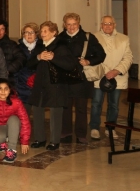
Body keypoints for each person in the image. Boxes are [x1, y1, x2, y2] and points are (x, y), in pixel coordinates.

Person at [27, 21, 77, 150]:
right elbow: (29, 64)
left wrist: (53, 58)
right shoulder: (39, 46)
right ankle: (40, 139)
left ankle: (55, 141)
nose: (42, 34)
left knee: (55, 113)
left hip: (56, 85)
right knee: (37, 110)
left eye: (45, 31)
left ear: (54, 32)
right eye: (41, 31)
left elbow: (70, 64)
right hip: (40, 84)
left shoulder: (61, 46)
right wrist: (38, 57)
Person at [58, 12, 106, 144]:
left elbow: (101, 55)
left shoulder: (88, 37)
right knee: (65, 107)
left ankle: (81, 134)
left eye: (74, 24)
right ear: (64, 25)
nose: (72, 27)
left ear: (79, 24)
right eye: (69, 24)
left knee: (81, 108)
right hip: (64, 79)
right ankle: (66, 132)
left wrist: (88, 61)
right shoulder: (59, 38)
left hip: (81, 79)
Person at [91, 15, 132, 140]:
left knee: (114, 104)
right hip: (99, 76)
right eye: (105, 23)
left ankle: (110, 128)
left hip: (117, 77)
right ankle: (94, 128)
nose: (107, 26)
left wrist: (116, 70)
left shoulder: (124, 39)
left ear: (114, 25)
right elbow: (91, 56)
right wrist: (104, 70)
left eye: (110, 23)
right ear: (101, 25)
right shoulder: (94, 37)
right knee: (96, 103)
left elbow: (128, 57)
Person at [0, 79, 31, 163]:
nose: (3, 91)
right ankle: (2, 143)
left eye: (6, 89)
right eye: (0, 88)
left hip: (13, 126)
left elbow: (25, 121)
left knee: (14, 119)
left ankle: (11, 150)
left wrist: (24, 141)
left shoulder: (16, 102)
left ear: (10, 90)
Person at [14, 22, 40, 108]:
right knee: (24, 115)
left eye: (31, 32)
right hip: (22, 85)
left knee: (38, 116)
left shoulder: (41, 47)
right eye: (26, 32)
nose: (29, 35)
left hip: (37, 85)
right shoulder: (17, 48)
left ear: (36, 34)